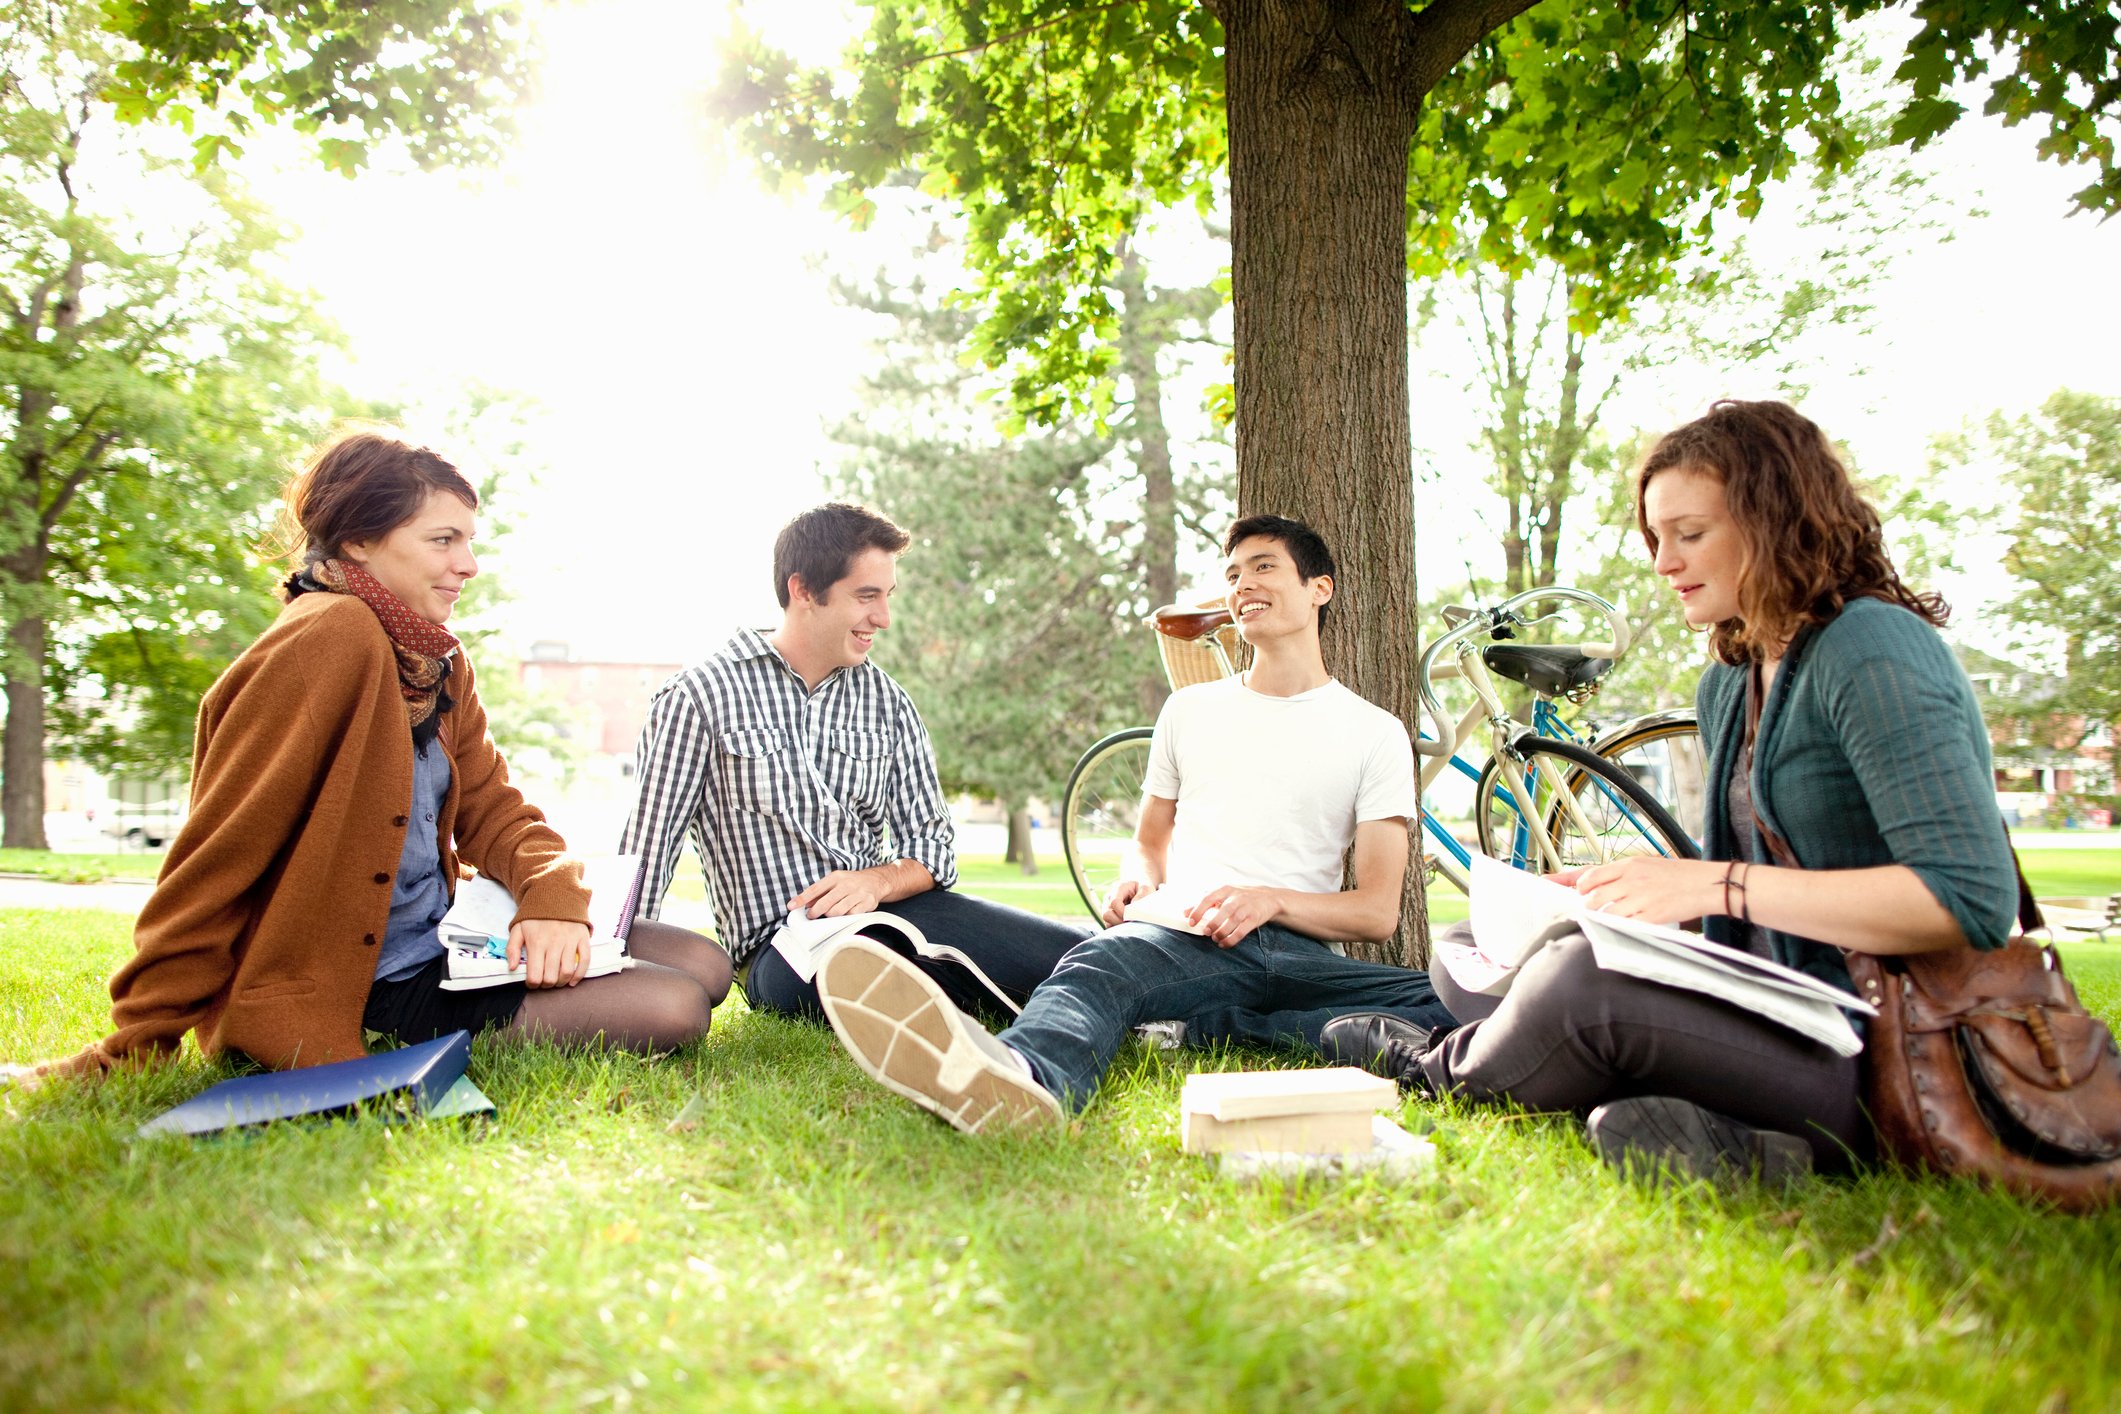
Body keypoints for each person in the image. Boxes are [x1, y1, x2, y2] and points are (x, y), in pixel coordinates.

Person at [1325, 399, 2021, 1184]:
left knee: (1577, 987)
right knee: (1476, 948)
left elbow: (1968, 897)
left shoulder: (1872, 647)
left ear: (1777, 520)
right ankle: (1742, 1144)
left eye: (1689, 535)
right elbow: (1743, 910)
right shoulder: (1730, 679)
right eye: (1656, 539)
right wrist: (1615, 895)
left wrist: (1714, 885)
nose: (1662, 563)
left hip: (1879, 1047)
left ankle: (1441, 1067)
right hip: (1767, 1009)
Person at [14, 430, 731, 1083]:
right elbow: (220, 853)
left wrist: (550, 900)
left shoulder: (434, 659)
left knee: (706, 963)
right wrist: (139, 1038)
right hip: (368, 981)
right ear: (359, 541)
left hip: (448, 939)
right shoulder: (330, 638)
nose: (469, 565)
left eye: (469, 541)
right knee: (674, 1006)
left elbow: (495, 810)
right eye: (443, 540)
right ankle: (397, 1032)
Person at [810, 514, 1455, 1133]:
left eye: (1264, 568)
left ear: (1320, 589)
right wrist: (1135, 881)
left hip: (1305, 955)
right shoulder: (1190, 711)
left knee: (1443, 1003)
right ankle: (1024, 1076)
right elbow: (1148, 846)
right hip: (1193, 940)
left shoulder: (1374, 732)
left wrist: (1269, 901)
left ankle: (1213, 1027)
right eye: (1232, 575)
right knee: (1097, 966)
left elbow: (1375, 914)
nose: (1243, 585)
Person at [619, 502, 1090, 1022]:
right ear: (803, 591)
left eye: (887, 597)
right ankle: (1053, 1004)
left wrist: (874, 882)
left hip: (896, 915)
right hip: (782, 952)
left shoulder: (888, 702)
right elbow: (643, 857)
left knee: (1076, 951)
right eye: (866, 596)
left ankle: (1125, 995)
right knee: (915, 977)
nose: (883, 619)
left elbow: (934, 848)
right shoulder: (699, 697)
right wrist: (619, 977)